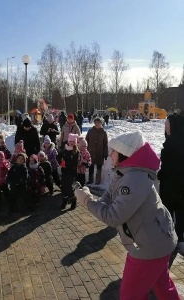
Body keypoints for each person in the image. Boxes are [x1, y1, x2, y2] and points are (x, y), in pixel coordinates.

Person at [74, 131, 180, 299]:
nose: (110, 154)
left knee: (131, 295)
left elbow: (113, 217)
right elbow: (108, 198)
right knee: (162, 286)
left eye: (113, 151)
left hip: (149, 247)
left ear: (124, 153)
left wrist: (87, 201)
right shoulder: (124, 172)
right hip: (156, 241)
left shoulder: (134, 179)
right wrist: (92, 199)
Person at [158, 109, 184, 255]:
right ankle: (172, 237)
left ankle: (177, 238)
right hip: (170, 184)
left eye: (167, 126)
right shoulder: (171, 141)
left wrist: (163, 173)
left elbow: (172, 165)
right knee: (170, 211)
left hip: (177, 185)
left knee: (177, 212)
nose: (165, 129)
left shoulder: (176, 144)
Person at [57, 133, 79, 210]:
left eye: (73, 141)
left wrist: (66, 162)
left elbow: (75, 162)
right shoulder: (65, 149)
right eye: (70, 141)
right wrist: (61, 162)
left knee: (69, 187)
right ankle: (65, 200)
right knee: (63, 187)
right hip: (64, 171)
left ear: (75, 142)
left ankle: (73, 200)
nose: (71, 142)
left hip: (71, 172)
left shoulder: (76, 151)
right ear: (68, 141)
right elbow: (58, 156)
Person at [85, 117, 108, 185]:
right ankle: (90, 180)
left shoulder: (103, 132)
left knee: (99, 167)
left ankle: (98, 181)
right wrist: (85, 150)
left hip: (99, 152)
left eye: (99, 123)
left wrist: (105, 153)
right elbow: (86, 141)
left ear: (101, 123)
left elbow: (105, 143)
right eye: (96, 123)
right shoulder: (90, 131)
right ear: (94, 123)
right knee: (91, 166)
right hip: (91, 152)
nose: (97, 124)